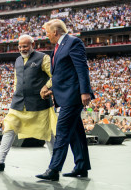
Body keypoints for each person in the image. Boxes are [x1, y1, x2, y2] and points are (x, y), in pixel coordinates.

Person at [0, 34, 57, 171]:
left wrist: (47, 87)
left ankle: (54, 166)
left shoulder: (43, 58)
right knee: (9, 128)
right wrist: (15, 92)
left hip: (39, 103)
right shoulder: (17, 60)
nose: (22, 49)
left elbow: (54, 75)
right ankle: (0, 161)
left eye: (25, 46)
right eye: (20, 46)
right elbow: (17, 80)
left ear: (32, 45)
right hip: (18, 103)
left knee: (48, 134)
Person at [36, 19, 93, 181]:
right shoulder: (57, 47)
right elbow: (63, 75)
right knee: (76, 133)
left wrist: (85, 92)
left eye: (47, 32)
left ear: (55, 31)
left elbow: (81, 68)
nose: (46, 35)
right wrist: (51, 89)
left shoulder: (73, 42)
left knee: (61, 132)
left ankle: (54, 169)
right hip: (64, 95)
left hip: (73, 96)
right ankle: (81, 166)